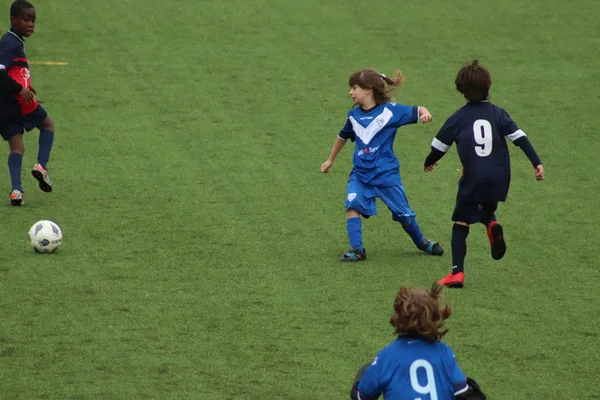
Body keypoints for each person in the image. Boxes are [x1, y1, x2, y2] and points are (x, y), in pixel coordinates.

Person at [424, 60, 544, 288]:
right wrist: (536, 163)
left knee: (461, 221)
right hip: (499, 177)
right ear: (488, 87)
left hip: (473, 177)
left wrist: (429, 162)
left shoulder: (459, 117)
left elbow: (439, 147)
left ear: (461, 90)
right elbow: (520, 138)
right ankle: (491, 225)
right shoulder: (499, 113)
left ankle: (456, 273)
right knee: (484, 208)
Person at [321, 68, 443, 262]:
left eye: (354, 88)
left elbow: (417, 110)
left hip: (386, 175)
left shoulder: (390, 111)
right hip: (360, 174)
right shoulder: (353, 116)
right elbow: (342, 136)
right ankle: (357, 250)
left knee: (404, 216)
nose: (350, 93)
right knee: (352, 204)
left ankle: (421, 242)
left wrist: (425, 113)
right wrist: (330, 160)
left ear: (368, 90)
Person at [350, 284, 486, 400]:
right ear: (435, 316)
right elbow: (466, 394)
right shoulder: (444, 352)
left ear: (398, 316)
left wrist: (366, 370)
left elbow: (361, 395)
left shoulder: (388, 356)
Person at [0, 0, 54, 206]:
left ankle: (16, 191)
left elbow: (12, 71)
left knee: (17, 147)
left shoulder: (13, 41)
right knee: (48, 124)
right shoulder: (10, 42)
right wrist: (20, 89)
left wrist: (25, 84)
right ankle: (41, 166)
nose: (30, 24)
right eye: (26, 19)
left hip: (4, 106)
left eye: (33, 20)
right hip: (16, 102)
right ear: (13, 19)